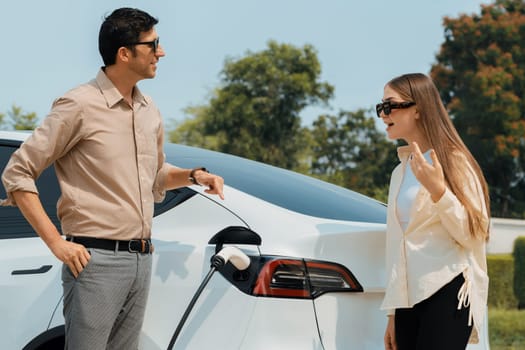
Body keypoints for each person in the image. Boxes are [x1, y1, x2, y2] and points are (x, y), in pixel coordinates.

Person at [1, 7, 224, 350]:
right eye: (153, 45)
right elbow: (18, 172)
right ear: (124, 53)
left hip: (142, 259)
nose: (160, 53)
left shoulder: (148, 109)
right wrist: (57, 244)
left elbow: (155, 176)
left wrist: (195, 176)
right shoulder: (78, 105)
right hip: (96, 261)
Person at [377, 73, 490, 350]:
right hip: (407, 299)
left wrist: (439, 192)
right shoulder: (400, 172)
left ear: (417, 109)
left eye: (390, 106)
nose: (383, 114)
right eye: (380, 107)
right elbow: (397, 246)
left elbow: (475, 235)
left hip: (448, 289)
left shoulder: (455, 162)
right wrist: (393, 313)